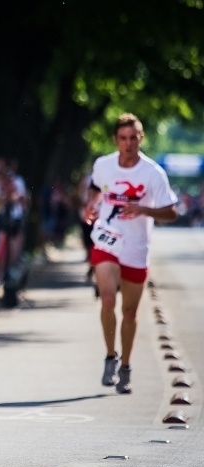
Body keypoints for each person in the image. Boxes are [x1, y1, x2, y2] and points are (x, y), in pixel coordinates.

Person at [85, 113, 178, 394]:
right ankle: (110, 357)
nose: (128, 144)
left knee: (129, 311)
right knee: (108, 300)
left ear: (141, 138)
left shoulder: (152, 173)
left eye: (133, 138)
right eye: (123, 138)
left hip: (137, 248)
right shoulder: (103, 165)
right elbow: (93, 189)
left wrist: (144, 209)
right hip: (107, 241)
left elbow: (171, 212)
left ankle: (126, 366)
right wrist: (91, 205)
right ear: (116, 140)